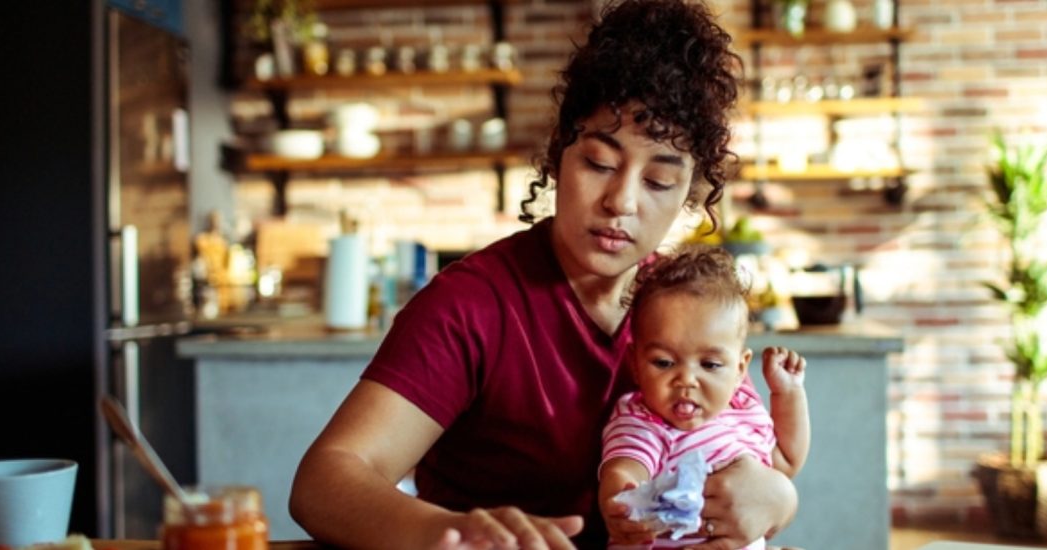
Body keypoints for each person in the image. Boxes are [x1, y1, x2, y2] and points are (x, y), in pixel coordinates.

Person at [289, 1, 799, 548]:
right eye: (599, 163)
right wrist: (451, 533)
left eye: (658, 182)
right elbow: (323, 484)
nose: (621, 201)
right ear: (560, 155)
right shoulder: (471, 306)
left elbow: (748, 450)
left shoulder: (686, 306)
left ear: (688, 195)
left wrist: (778, 498)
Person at [597, 245, 810, 548]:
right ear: (635, 364)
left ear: (739, 369)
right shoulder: (644, 419)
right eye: (664, 362)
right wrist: (620, 500)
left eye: (709, 365)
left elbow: (786, 462)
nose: (686, 379)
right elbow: (625, 466)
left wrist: (787, 394)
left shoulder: (744, 410)